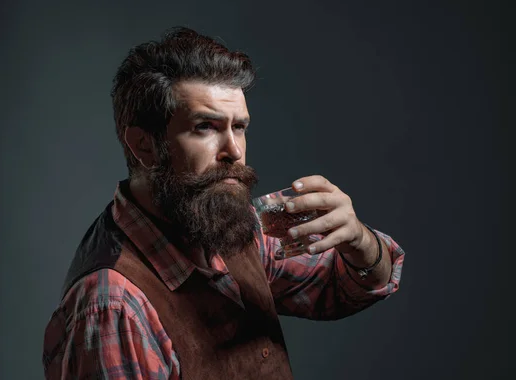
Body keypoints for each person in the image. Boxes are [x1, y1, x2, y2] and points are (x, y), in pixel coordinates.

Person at [42, 26, 405, 380]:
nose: (234, 151)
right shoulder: (113, 306)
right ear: (144, 145)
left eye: (240, 127)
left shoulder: (228, 225)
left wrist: (359, 242)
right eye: (206, 127)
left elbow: (346, 288)